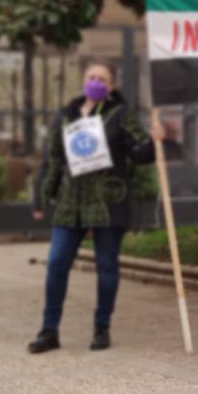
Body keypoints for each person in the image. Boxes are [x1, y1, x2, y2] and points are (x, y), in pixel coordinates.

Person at [29, 60, 164, 353]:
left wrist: (154, 141)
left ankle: (101, 328)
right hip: (71, 203)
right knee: (56, 264)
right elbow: (52, 158)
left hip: (108, 202)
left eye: (102, 78)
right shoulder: (67, 115)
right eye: (91, 76)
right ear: (83, 80)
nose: (95, 82)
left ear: (111, 85)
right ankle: (49, 330)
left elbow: (140, 153)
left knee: (106, 266)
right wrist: (42, 196)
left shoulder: (120, 114)